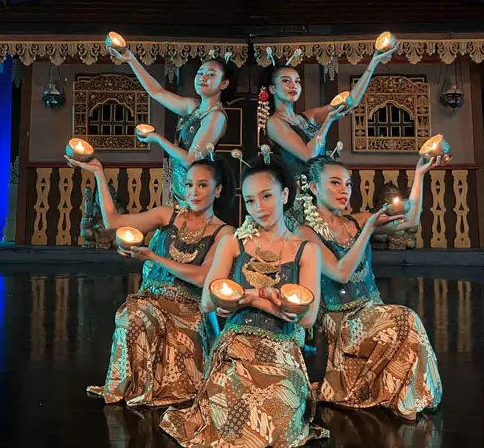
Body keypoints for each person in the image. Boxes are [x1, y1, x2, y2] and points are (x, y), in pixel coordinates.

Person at [159, 148, 329, 447]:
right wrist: (259, 298)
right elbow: (208, 302)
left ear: (285, 195)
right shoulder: (233, 243)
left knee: (278, 420)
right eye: (250, 201)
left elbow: (309, 316)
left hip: (282, 349)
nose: (259, 208)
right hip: (236, 345)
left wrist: (247, 297)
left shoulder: (307, 250)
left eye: (266, 196)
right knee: (233, 414)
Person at [64, 152, 236, 406]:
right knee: (131, 312)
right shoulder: (168, 215)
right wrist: (99, 172)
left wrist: (154, 257)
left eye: (203, 185)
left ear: (218, 190)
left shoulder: (224, 232)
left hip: (188, 310)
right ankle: (133, 387)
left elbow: (203, 278)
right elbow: (113, 221)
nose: (194, 192)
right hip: (151, 301)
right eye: (189, 185)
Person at [294, 152, 444, 420]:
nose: (344, 190)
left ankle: (407, 399)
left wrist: (419, 174)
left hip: (371, 311)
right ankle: (407, 401)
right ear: (314, 188)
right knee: (406, 318)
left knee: (405, 322)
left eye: (348, 184)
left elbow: (409, 220)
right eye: (335, 183)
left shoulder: (357, 220)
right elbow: (341, 273)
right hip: (340, 321)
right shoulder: (305, 232)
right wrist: (368, 230)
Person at [256, 46, 397, 230]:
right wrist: (328, 121)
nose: (294, 86)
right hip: (298, 200)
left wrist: (373, 62)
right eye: (286, 81)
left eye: (297, 81)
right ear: (272, 89)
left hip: (320, 194)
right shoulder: (274, 123)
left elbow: (348, 103)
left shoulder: (307, 117)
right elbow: (309, 154)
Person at [109, 47, 237, 207]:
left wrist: (157, 139)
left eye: (210, 74)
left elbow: (190, 159)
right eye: (199, 73)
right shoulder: (193, 107)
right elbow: (157, 92)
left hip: (195, 191)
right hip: (178, 186)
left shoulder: (216, 116)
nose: (202, 78)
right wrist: (131, 59)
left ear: (224, 83)